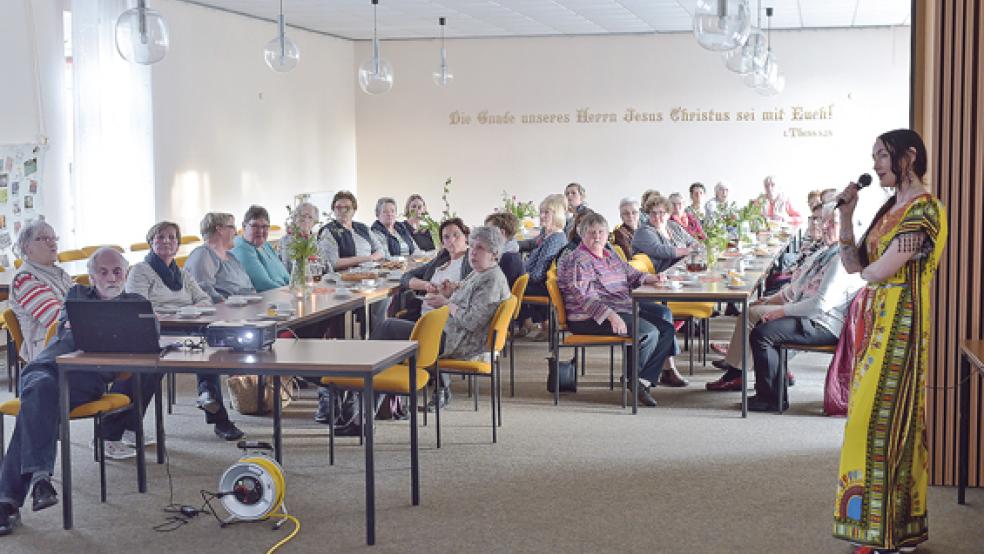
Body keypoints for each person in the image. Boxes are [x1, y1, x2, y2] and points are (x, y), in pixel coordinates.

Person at [832, 129, 946, 553]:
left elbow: (879, 272)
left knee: (887, 423)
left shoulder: (926, 210)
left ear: (910, 156)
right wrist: (847, 216)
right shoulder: (887, 210)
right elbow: (852, 264)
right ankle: (884, 530)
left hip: (902, 322)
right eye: (874, 156)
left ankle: (893, 532)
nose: (877, 163)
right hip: (875, 325)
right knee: (868, 421)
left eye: (883, 155)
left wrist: (871, 272)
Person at [0, 248, 165, 536]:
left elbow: (148, 340)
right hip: (47, 366)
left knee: (37, 402)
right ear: (91, 276)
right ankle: (34, 481)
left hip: (84, 380)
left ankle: (19, 492)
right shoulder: (77, 294)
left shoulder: (136, 302)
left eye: (117, 272)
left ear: (125, 275)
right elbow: (72, 332)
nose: (111, 277)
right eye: (103, 272)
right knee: (40, 388)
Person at [707, 207, 863, 400]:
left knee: (763, 332)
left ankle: (768, 395)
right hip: (810, 314)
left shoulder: (841, 260)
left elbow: (820, 304)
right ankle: (754, 383)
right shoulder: (827, 252)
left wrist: (781, 311)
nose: (824, 226)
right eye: (823, 221)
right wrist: (770, 301)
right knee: (754, 315)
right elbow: (797, 287)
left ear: (848, 226)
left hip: (824, 323)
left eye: (832, 223)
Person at [367, 226, 511, 419]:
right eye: (473, 247)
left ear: (494, 253)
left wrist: (447, 303)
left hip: (459, 342)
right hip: (450, 333)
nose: (473, 253)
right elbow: (466, 291)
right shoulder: (483, 272)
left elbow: (471, 321)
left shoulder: (492, 280)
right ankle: (377, 407)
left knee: (388, 328)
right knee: (390, 335)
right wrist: (451, 289)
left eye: (480, 248)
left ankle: (364, 408)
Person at [126, 221, 244, 441]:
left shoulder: (181, 273)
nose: (166, 241)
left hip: (188, 327)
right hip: (156, 331)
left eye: (172, 237)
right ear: (150, 242)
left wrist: (188, 311)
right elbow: (137, 306)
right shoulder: (141, 271)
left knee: (210, 343)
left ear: (178, 244)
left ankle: (210, 399)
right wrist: (177, 313)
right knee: (203, 343)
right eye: (160, 237)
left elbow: (204, 299)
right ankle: (215, 409)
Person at [557, 213, 678, 407]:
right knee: (648, 332)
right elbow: (585, 297)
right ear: (581, 235)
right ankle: (635, 380)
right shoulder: (578, 260)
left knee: (667, 329)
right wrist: (611, 316)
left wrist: (651, 278)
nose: (597, 236)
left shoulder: (608, 254)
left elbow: (630, 273)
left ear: (606, 235)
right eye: (591, 233)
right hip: (589, 317)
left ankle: (640, 380)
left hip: (619, 306)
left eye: (601, 232)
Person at [10, 218, 74, 363]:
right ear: (28, 247)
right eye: (44, 239)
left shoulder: (58, 272)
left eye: (54, 238)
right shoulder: (25, 279)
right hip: (49, 353)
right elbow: (58, 320)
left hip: (69, 344)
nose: (52, 243)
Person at [398, 218, 472, 321]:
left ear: (466, 237)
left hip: (443, 325)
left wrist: (449, 294)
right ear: (443, 243)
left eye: (456, 235)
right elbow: (405, 277)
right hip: (422, 318)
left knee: (386, 326)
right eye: (446, 237)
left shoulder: (471, 262)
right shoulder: (441, 260)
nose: (451, 240)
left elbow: (469, 296)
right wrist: (426, 285)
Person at [518, 194, 568, 340]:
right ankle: (528, 322)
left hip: (545, 285)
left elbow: (539, 274)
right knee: (511, 280)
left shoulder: (556, 238)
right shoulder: (546, 235)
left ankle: (538, 324)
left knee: (510, 285)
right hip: (538, 281)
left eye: (547, 212)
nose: (542, 215)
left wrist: (523, 275)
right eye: (541, 212)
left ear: (557, 215)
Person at [185, 212, 256, 303]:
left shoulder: (231, 256)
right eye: (232, 227)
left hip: (245, 307)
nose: (236, 232)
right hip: (225, 312)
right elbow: (203, 291)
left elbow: (248, 286)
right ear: (219, 229)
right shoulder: (203, 254)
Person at [317, 191, 384, 271]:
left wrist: (371, 258)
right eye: (338, 207)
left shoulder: (363, 228)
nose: (343, 211)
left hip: (370, 273)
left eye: (347, 207)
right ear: (333, 210)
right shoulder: (328, 231)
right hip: (344, 278)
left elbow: (380, 250)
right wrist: (366, 259)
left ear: (354, 210)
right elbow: (332, 263)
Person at [231, 205, 289, 292]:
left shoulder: (265, 244)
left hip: (282, 294)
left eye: (265, 226)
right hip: (265, 300)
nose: (261, 231)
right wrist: (290, 293)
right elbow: (263, 284)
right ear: (244, 226)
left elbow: (285, 275)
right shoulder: (241, 248)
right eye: (255, 226)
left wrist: (295, 287)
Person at [632, 195, 696, 274]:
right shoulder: (643, 232)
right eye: (653, 213)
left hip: (682, 270)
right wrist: (686, 251)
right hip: (660, 276)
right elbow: (659, 250)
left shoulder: (673, 226)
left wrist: (694, 248)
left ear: (668, 214)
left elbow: (692, 241)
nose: (657, 216)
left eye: (661, 213)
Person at [484, 212, 523, 287]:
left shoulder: (506, 258)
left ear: (501, 233)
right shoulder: (512, 249)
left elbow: (493, 287)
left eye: (488, 231)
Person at [278, 201, 319, 274]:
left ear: (314, 222)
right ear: (295, 219)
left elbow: (323, 265)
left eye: (310, 217)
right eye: (302, 216)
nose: (306, 220)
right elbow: (288, 268)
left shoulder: (315, 241)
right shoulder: (286, 241)